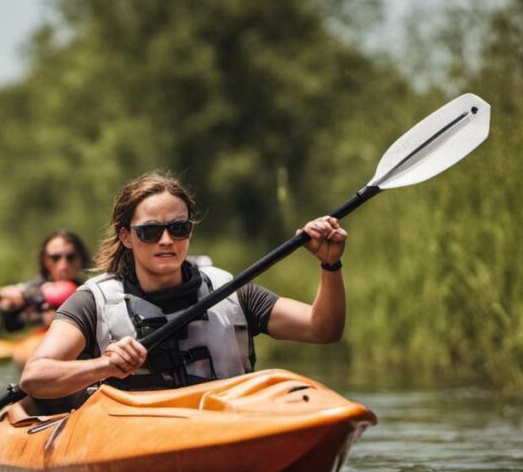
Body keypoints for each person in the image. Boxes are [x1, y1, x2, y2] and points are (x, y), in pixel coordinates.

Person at [19, 171, 346, 402]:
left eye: (178, 228)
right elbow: (34, 377)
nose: (166, 241)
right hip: (133, 437)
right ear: (126, 237)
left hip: (228, 424)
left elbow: (323, 329)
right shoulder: (94, 301)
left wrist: (329, 265)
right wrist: (104, 366)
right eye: (150, 232)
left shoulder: (231, 291)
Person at [0, 230, 89, 332]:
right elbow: (11, 326)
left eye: (70, 257)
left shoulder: (90, 292)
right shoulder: (31, 289)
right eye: (55, 258)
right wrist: (9, 307)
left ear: (81, 259)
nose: (63, 266)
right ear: (45, 261)